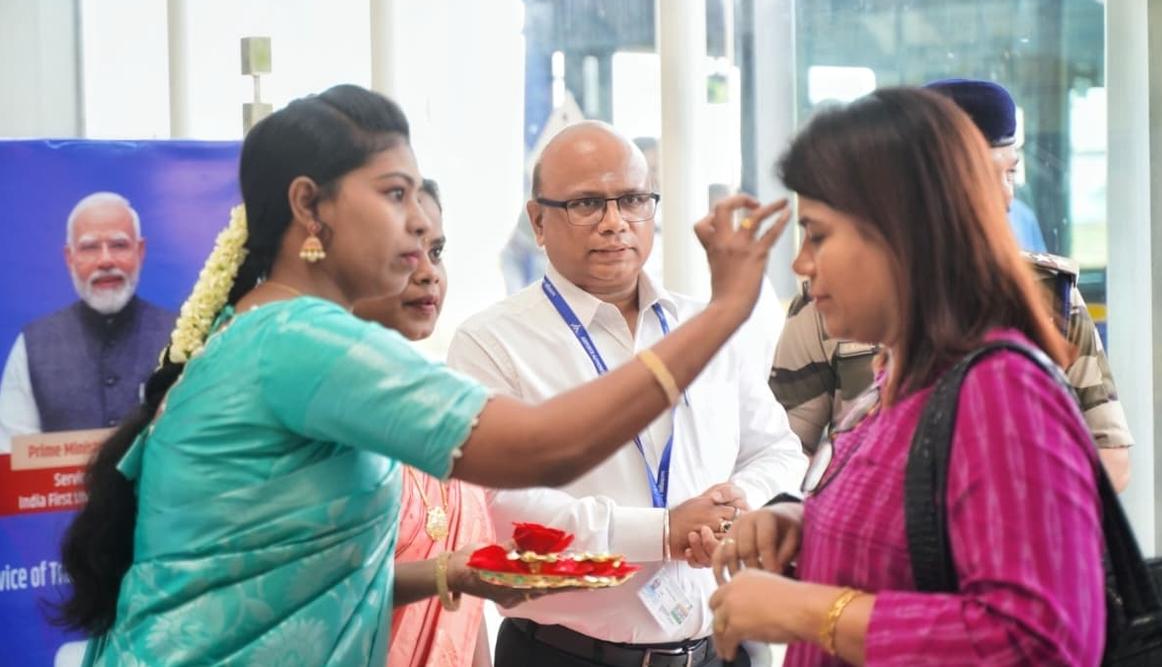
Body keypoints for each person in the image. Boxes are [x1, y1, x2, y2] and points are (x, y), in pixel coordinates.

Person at [55, 84, 788, 666]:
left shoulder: (263, 328)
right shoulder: (301, 341)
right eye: (394, 194)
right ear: (309, 206)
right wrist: (725, 311)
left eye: (422, 207)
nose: (415, 226)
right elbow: (542, 450)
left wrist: (454, 576)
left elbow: (291, 576)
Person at [705, 87, 1104, 665]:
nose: (801, 263)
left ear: (901, 234)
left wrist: (804, 611)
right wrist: (804, 529)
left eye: (818, 234)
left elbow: (1039, 639)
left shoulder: (999, 392)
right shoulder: (899, 380)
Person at [447, 121, 804, 667]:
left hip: (714, 652)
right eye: (588, 203)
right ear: (538, 221)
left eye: (633, 200)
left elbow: (777, 450)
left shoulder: (701, 326)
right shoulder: (491, 341)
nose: (615, 223)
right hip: (564, 655)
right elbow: (498, 509)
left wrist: (736, 512)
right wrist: (662, 531)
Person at [768, 77, 1133, 491]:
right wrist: (795, 516)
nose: (1006, 196)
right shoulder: (842, 317)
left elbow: (1109, 456)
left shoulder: (1034, 321)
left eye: (1011, 173)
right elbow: (781, 448)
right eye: (986, 175)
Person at [353, 179, 500, 667]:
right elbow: (309, 589)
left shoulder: (444, 402)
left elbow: (466, 608)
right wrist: (445, 574)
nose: (428, 275)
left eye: (435, 252)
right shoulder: (322, 414)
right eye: (404, 256)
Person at [0, 192, 175, 451]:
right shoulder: (32, 346)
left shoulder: (182, 337)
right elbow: (13, 456)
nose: (105, 260)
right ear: (70, 258)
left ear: (140, 251)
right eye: (90, 247)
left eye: (119, 245)